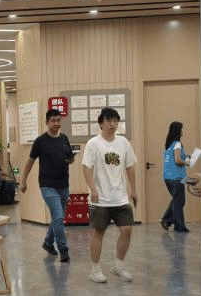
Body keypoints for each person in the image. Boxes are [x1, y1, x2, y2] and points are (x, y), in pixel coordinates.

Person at [81, 107, 138, 283]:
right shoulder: (93, 144)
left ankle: (118, 266)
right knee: (99, 233)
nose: (112, 124)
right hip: (100, 199)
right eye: (108, 121)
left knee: (127, 230)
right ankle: (95, 270)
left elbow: (130, 167)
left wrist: (133, 189)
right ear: (101, 124)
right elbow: (86, 167)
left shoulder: (123, 143)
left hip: (120, 197)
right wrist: (93, 188)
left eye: (115, 121)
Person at [19, 108, 76, 261]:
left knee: (58, 217)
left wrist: (71, 160)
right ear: (47, 122)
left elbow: (70, 158)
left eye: (58, 120)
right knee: (58, 216)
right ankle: (63, 250)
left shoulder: (64, 139)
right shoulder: (40, 141)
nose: (56, 123)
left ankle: (48, 243)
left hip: (63, 185)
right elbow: (30, 162)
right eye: (53, 121)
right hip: (47, 185)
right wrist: (23, 181)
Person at [159, 120, 191, 232]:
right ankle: (169, 221)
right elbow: (177, 160)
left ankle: (174, 223)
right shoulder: (177, 144)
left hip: (168, 177)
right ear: (178, 131)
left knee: (177, 201)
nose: (182, 132)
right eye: (181, 130)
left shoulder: (169, 144)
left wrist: (186, 157)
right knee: (179, 201)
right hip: (176, 177)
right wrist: (186, 162)